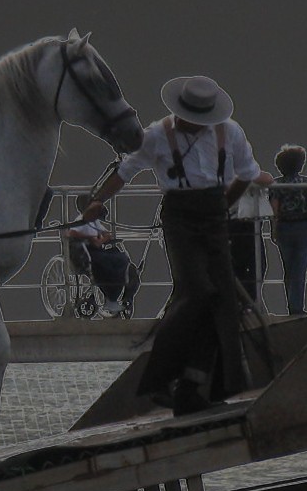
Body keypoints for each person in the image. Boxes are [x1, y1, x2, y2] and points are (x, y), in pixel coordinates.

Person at [80, 75, 262, 415]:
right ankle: (162, 378)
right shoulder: (156, 134)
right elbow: (125, 171)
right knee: (196, 290)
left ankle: (193, 386)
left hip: (214, 216)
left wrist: (224, 204)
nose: (183, 121)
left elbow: (249, 173)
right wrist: (97, 201)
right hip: (179, 218)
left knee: (221, 301)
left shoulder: (230, 132)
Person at [66, 192, 137, 317]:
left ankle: (116, 297)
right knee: (107, 264)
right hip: (86, 253)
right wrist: (93, 239)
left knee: (121, 259)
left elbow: (106, 234)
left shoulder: (94, 222)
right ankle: (111, 298)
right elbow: (71, 234)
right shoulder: (80, 221)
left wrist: (100, 239)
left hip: (97, 250)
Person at [267, 145, 307, 317]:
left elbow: (275, 209)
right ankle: (297, 308)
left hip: (284, 227)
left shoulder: (276, 184)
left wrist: (273, 229)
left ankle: (292, 305)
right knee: (300, 268)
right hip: (304, 227)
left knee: (288, 268)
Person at [226, 170, 274, 306]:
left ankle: (246, 301)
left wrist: (245, 175)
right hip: (236, 222)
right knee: (244, 264)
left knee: (256, 264)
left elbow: (268, 179)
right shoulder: (224, 174)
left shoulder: (243, 173)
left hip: (249, 223)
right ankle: (243, 302)